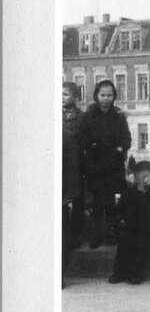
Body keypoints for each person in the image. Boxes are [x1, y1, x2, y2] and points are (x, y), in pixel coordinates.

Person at [78, 79, 131, 249]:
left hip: (114, 167)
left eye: (109, 95)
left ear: (114, 96)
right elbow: (82, 139)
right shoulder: (89, 117)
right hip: (95, 166)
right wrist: (91, 147)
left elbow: (127, 138)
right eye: (103, 95)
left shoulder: (119, 117)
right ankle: (96, 236)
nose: (106, 98)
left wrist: (119, 148)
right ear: (96, 96)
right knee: (97, 204)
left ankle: (110, 234)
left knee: (111, 203)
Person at [110, 161, 150, 284]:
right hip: (130, 227)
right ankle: (119, 272)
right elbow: (120, 210)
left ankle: (135, 273)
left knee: (142, 247)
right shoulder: (129, 193)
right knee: (124, 246)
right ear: (144, 178)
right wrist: (121, 221)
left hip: (146, 228)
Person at [62, 82, 85, 287]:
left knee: (77, 201)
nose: (62, 97)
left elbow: (85, 141)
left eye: (66, 94)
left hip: (76, 163)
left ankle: (77, 235)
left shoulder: (81, 117)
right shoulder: (53, 113)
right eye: (60, 93)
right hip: (61, 162)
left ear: (76, 96)